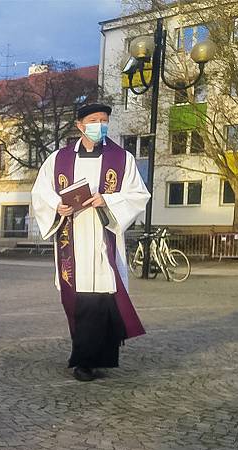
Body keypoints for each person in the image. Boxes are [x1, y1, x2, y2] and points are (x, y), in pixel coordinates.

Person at [30, 103, 151, 382]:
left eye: (104, 120)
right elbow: (41, 192)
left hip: (103, 236)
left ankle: (98, 359)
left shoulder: (122, 159)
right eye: (94, 120)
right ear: (80, 125)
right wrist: (57, 205)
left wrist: (106, 200)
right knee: (80, 301)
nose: (100, 125)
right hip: (71, 239)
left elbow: (137, 195)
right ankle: (84, 359)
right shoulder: (58, 159)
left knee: (104, 300)